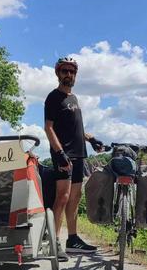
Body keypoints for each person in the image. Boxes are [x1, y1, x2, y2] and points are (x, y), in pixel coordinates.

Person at [44, 57, 105, 259]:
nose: (68, 74)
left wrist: (92, 139)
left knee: (75, 199)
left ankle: (72, 240)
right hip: (64, 155)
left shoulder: (74, 98)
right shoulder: (53, 97)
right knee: (62, 198)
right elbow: (49, 128)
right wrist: (60, 154)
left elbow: (76, 128)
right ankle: (54, 243)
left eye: (72, 71)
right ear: (58, 74)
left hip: (79, 154)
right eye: (65, 71)